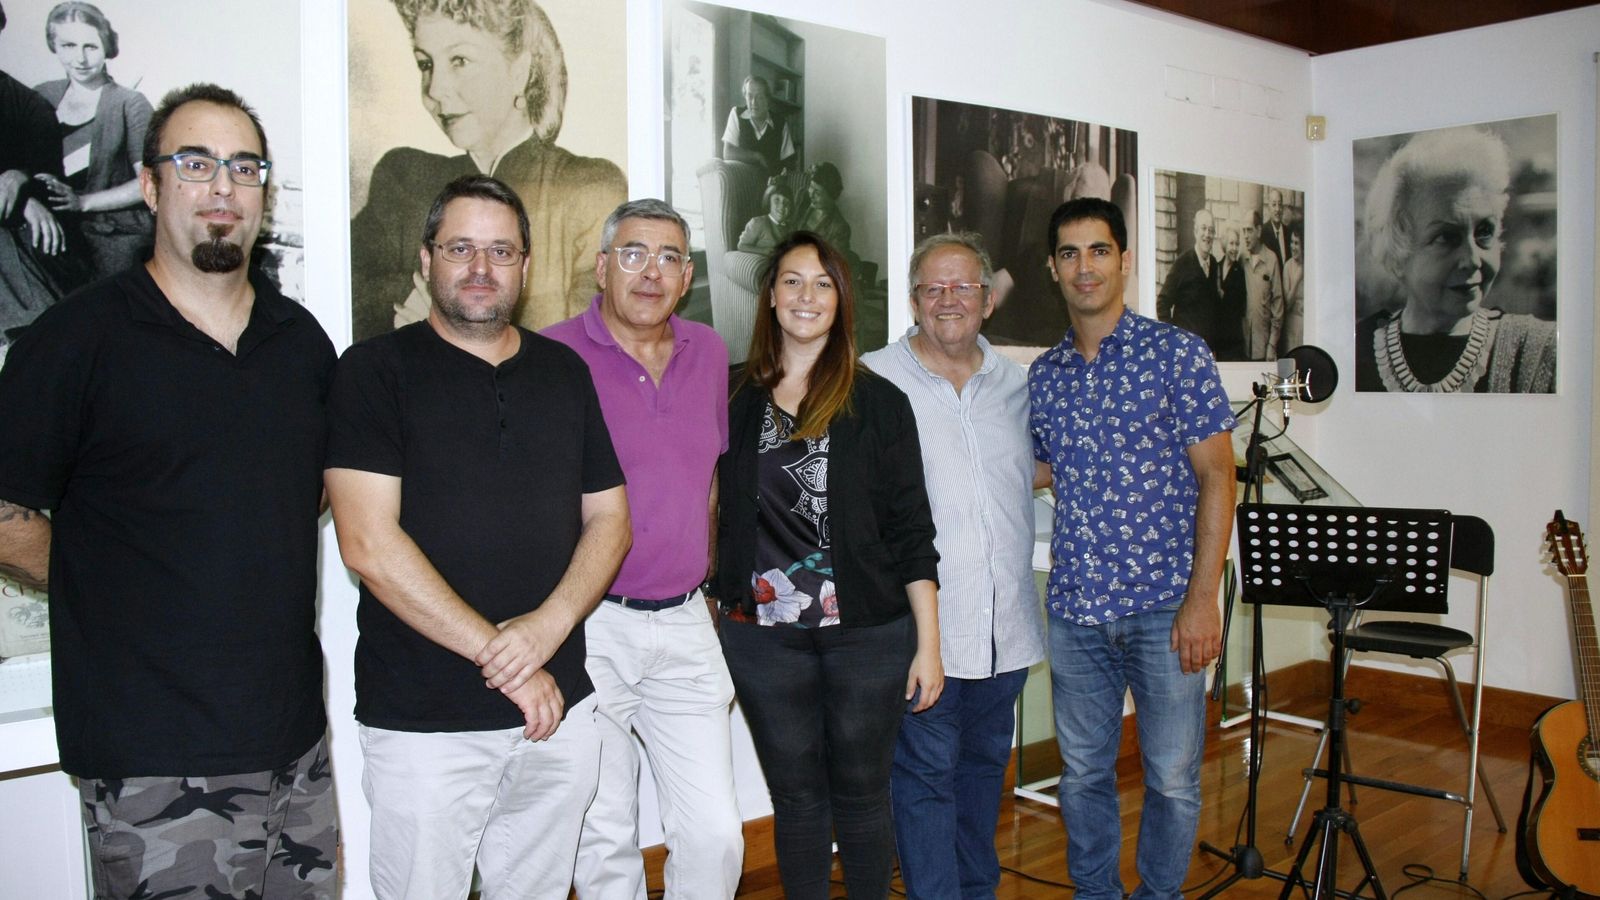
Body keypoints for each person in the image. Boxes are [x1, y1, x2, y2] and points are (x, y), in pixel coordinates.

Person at [0, 82, 338, 898]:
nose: (222, 187)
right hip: (151, 762)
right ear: (151, 186)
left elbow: (317, 494)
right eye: (196, 163)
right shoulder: (76, 341)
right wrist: (108, 582)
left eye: (243, 167)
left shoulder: (300, 343)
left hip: (295, 748)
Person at [713, 231, 943, 899]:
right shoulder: (732, 398)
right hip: (762, 639)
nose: (806, 296)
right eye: (791, 281)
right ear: (771, 297)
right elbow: (707, 506)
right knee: (797, 798)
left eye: (822, 283)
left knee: (864, 796)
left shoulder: (879, 403)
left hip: (868, 636)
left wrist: (928, 646)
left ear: (842, 301)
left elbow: (912, 533)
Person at [1028, 197, 1236, 900]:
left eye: (1098, 250)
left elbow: (1218, 474)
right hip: (1078, 611)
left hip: (1165, 608)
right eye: (1069, 253)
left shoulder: (1177, 354)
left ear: (1124, 258)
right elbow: (1040, 469)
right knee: (1083, 774)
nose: (1084, 267)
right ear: (1052, 268)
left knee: (1172, 777)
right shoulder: (1046, 376)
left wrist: (1202, 599)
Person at [544, 199, 743, 900]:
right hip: (593, 623)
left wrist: (711, 582)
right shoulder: (553, 354)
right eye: (633, 253)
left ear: (687, 277)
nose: (650, 272)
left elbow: (711, 476)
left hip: (686, 622)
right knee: (604, 834)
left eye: (668, 258)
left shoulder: (710, 352)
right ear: (602, 267)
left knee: (716, 832)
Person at [860, 233, 1044, 899]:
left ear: (988, 300)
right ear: (913, 301)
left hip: (1007, 633)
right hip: (924, 635)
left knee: (981, 776)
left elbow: (1032, 475)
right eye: (933, 288)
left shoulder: (1017, 388)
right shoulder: (872, 380)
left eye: (963, 286)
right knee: (923, 781)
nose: (948, 300)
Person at [350, 0, 627, 342]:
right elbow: (349, 299)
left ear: (520, 70)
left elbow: (586, 352)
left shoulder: (588, 188)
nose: (435, 89)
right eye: (426, 64)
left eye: (460, 61)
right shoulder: (403, 179)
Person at [1355, 127, 1555, 392]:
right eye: (1446, 237)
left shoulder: (1539, 350)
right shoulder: (1356, 351)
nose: (1472, 260)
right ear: (1397, 254)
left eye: (1484, 232)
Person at [33, 1, 153, 282]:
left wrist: (82, 201)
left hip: (114, 236)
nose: (80, 59)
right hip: (51, 228)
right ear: (54, 46)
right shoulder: (41, 96)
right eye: (68, 46)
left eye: (90, 46)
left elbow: (150, 182)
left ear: (106, 47)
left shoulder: (130, 103)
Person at [0, 1, 79, 352]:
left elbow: (51, 179)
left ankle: (26, 343)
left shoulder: (28, 105)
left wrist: (24, 181)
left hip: (18, 235)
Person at [1155, 208, 1220, 348]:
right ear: (1195, 231)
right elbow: (1162, 303)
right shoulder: (1182, 263)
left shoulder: (1214, 264)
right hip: (1185, 349)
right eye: (1203, 229)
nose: (1207, 234)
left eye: (1211, 230)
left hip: (1205, 347)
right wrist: (1173, 338)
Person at [720, 74, 796, 177]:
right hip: (744, 185)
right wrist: (757, 156)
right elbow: (728, 153)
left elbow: (789, 163)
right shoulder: (737, 114)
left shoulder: (780, 123)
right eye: (750, 96)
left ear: (767, 100)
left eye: (759, 97)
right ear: (745, 96)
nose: (753, 102)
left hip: (770, 186)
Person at [1240, 208, 1284, 360]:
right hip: (1243, 346)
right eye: (1243, 231)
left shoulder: (1271, 260)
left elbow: (1278, 305)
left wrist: (1272, 345)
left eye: (1249, 231)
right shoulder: (1242, 259)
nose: (1245, 236)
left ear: (1259, 231)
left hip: (1264, 347)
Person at [737, 181, 791, 253]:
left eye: (786, 203)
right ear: (769, 202)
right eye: (777, 200)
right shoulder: (759, 223)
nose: (782, 206)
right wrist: (764, 251)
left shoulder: (790, 227)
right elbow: (741, 246)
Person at [1280, 223, 1304, 354]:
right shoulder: (1288, 267)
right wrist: (1297, 280)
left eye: (1297, 243)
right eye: (1291, 242)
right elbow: (1287, 304)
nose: (1293, 247)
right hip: (1292, 324)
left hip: (1306, 323)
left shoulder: (1309, 265)